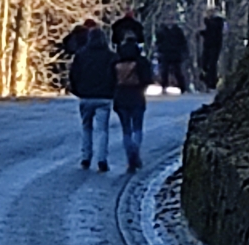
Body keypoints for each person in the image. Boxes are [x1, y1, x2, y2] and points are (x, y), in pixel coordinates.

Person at [69, 26, 116, 171]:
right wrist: (112, 91)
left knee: (86, 127)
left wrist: (78, 91)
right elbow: (115, 77)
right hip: (104, 97)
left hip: (86, 97)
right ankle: (102, 159)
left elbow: (73, 76)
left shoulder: (81, 55)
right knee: (102, 130)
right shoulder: (111, 56)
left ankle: (85, 157)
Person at [112, 34, 153, 172]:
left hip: (121, 97)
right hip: (137, 96)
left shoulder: (116, 62)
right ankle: (135, 150)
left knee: (126, 129)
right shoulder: (141, 62)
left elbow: (111, 80)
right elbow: (147, 79)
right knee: (138, 127)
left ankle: (130, 155)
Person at [155, 22, 189, 92]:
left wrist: (183, 52)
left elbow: (183, 42)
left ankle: (182, 87)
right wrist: (159, 50)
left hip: (175, 53)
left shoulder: (177, 31)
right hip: (165, 53)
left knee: (177, 71)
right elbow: (158, 42)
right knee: (164, 71)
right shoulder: (162, 31)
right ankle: (164, 86)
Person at [198, 10, 226, 91]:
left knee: (212, 63)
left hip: (215, 45)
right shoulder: (209, 22)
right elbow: (209, 32)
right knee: (204, 63)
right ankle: (207, 79)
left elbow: (215, 30)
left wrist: (207, 21)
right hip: (207, 45)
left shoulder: (218, 21)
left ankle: (212, 81)